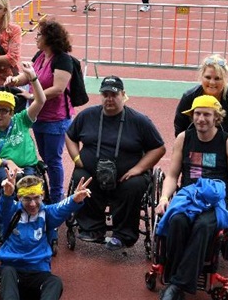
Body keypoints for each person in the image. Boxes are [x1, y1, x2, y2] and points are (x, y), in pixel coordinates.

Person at [155, 96, 228, 300]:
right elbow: (173, 175)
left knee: (204, 226)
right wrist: (164, 198)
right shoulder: (184, 138)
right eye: (197, 114)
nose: (201, 119)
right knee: (176, 221)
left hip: (215, 201)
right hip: (188, 197)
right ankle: (179, 282)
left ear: (216, 117)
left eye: (206, 114)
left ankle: (176, 286)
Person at [65, 76, 166, 250]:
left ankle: (123, 235)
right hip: (93, 171)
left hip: (126, 176)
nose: (109, 98)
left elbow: (159, 148)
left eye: (114, 94)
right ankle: (92, 229)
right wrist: (76, 158)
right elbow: (70, 135)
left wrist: (138, 168)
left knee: (133, 186)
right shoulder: (87, 116)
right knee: (81, 177)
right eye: (105, 94)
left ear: (123, 95)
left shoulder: (139, 121)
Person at [0, 174, 91, 300]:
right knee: (6, 271)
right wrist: (7, 194)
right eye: (27, 199)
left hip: (37, 274)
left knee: (55, 282)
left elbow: (63, 207)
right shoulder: (12, 212)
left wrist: (75, 199)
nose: (32, 204)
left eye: (36, 198)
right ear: (19, 197)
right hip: (11, 272)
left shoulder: (47, 214)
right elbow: (4, 208)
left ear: (42, 195)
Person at [6, 18, 74, 206]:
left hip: (56, 118)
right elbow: (28, 76)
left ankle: (56, 196)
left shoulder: (63, 60)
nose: (36, 38)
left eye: (39, 35)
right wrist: (14, 80)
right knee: (44, 156)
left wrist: (34, 97)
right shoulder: (40, 55)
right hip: (39, 116)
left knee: (53, 159)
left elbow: (58, 89)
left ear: (49, 38)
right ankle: (51, 191)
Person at [173, 53, 228, 178]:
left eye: (217, 78)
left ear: (224, 79)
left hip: (223, 153)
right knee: (194, 182)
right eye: (208, 77)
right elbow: (179, 128)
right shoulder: (189, 97)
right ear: (201, 76)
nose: (212, 82)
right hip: (195, 152)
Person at [0, 62, 47, 189]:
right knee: (10, 183)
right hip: (2, 168)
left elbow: (41, 100)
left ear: (12, 113)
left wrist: (33, 77)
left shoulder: (22, 119)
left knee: (30, 188)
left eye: (3, 111)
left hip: (28, 167)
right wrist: (5, 161)